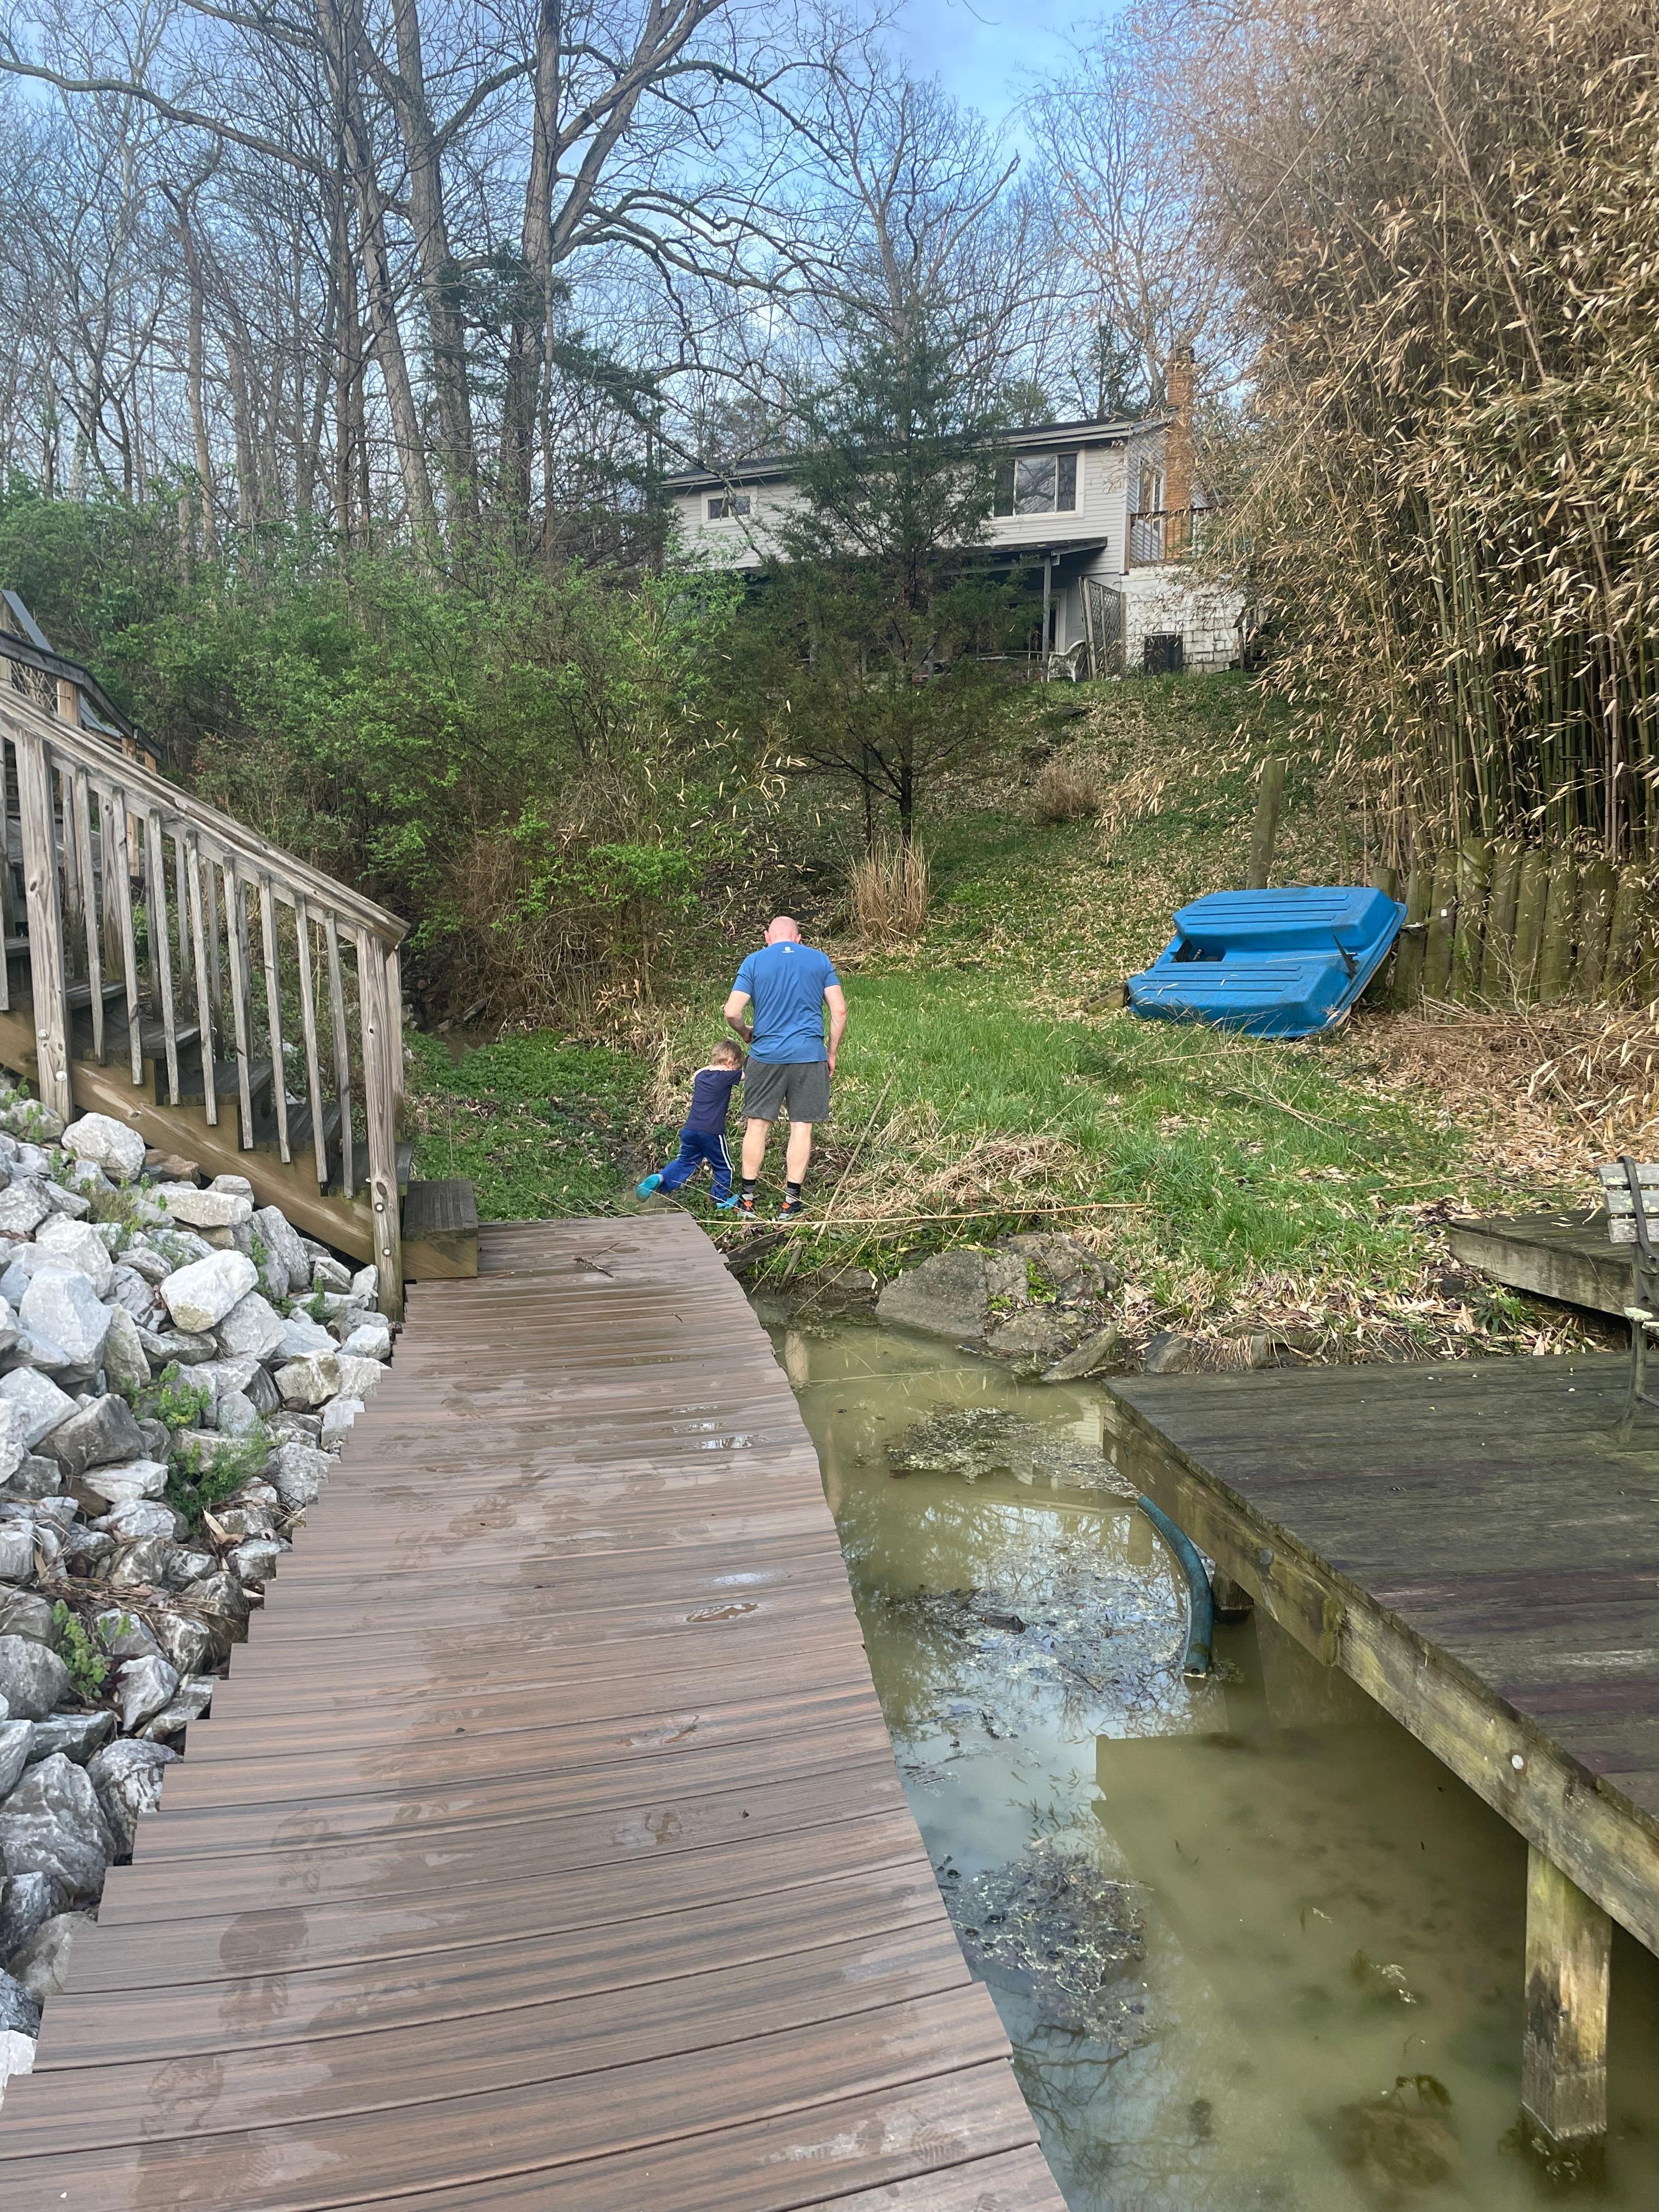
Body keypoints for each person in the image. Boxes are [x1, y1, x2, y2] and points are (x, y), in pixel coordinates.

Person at [724, 915, 847, 1218]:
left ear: (767, 937)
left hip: (766, 1057)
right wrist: (831, 1053)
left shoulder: (754, 962)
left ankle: (748, 1200)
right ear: (798, 938)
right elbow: (840, 1010)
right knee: (801, 1128)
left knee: (757, 1126)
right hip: (809, 1056)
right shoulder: (819, 961)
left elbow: (731, 1011)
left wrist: (745, 1033)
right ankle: (790, 1203)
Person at [634, 1040, 745, 1209]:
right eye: (736, 1067)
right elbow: (747, 1075)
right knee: (725, 1167)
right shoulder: (727, 1076)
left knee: (685, 1161)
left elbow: (694, 1076)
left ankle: (660, 1178)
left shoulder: (702, 1075)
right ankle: (720, 1202)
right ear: (730, 1063)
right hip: (712, 1132)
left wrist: (711, 1067)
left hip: (691, 1129)